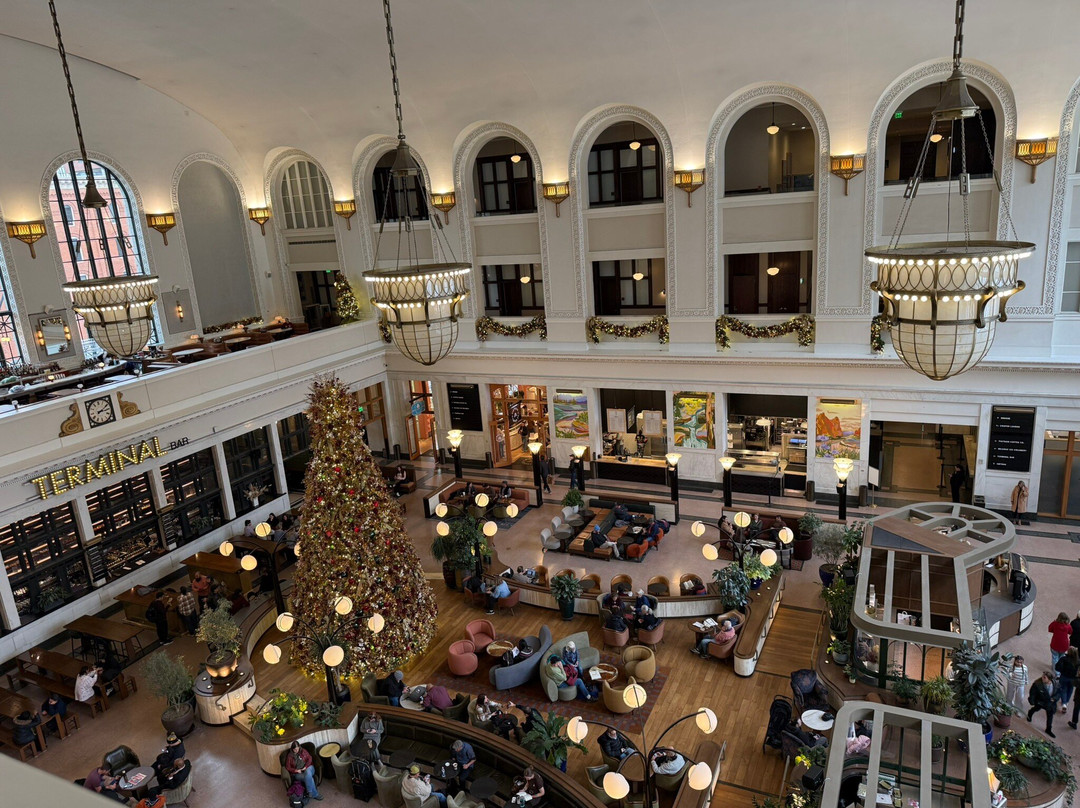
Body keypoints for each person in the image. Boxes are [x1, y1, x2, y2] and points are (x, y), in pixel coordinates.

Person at [1028, 671, 1059, 737]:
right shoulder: (1037, 684)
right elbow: (1032, 693)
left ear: (1049, 679)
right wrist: (1032, 700)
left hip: (1050, 703)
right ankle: (1030, 714)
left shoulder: (1056, 684)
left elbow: (1059, 693)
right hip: (1041, 701)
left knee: (1050, 715)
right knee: (1036, 708)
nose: (1042, 678)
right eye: (1042, 676)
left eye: (1044, 677)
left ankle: (1048, 729)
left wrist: (1054, 698)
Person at [1055, 647, 1078, 713]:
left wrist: (1062, 670)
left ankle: (1064, 703)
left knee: (1063, 689)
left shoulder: (1064, 659)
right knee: (1070, 689)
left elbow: (1057, 667)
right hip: (1073, 678)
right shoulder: (1078, 661)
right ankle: (1067, 701)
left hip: (1064, 676)